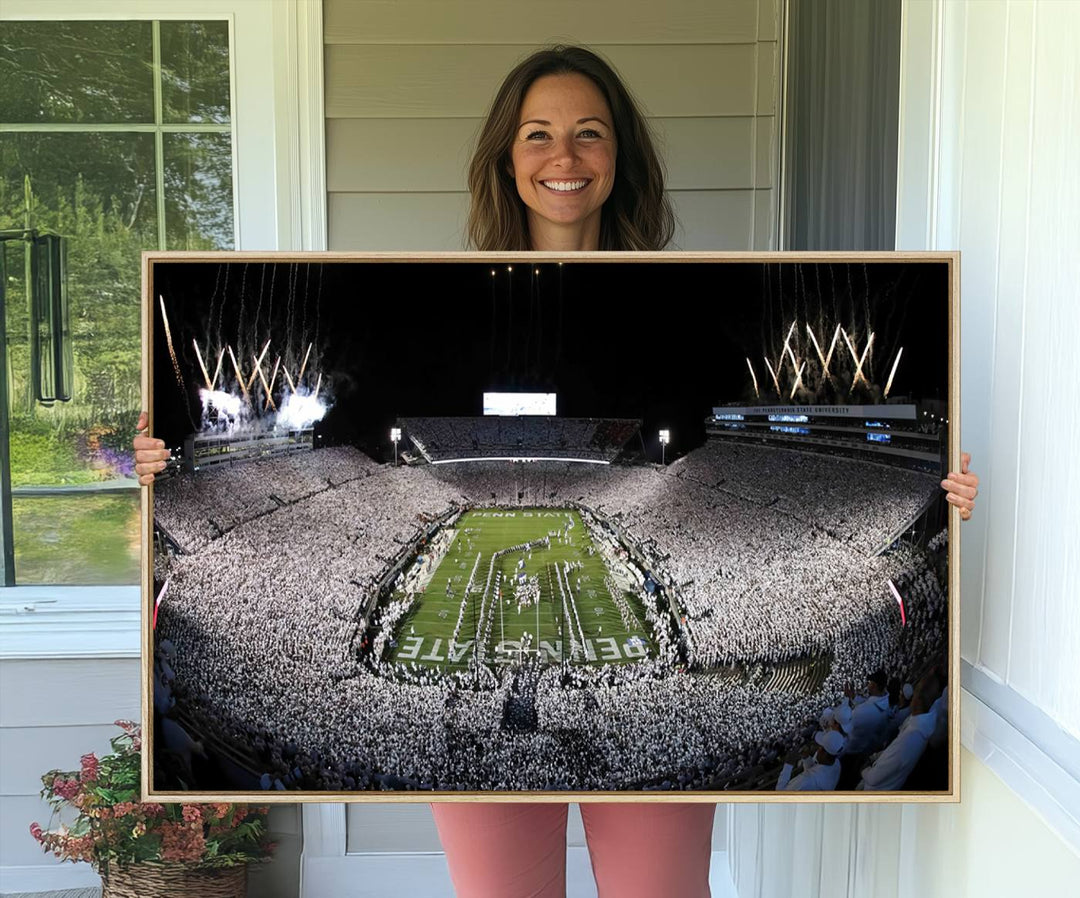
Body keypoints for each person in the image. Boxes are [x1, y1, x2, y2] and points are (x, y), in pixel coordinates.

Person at [133, 43, 980, 898]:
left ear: (620, 157)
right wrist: (159, 467)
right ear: (507, 157)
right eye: (537, 134)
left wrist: (934, 492)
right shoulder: (436, 297)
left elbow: (704, 434)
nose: (563, 157)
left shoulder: (679, 305)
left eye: (589, 134)